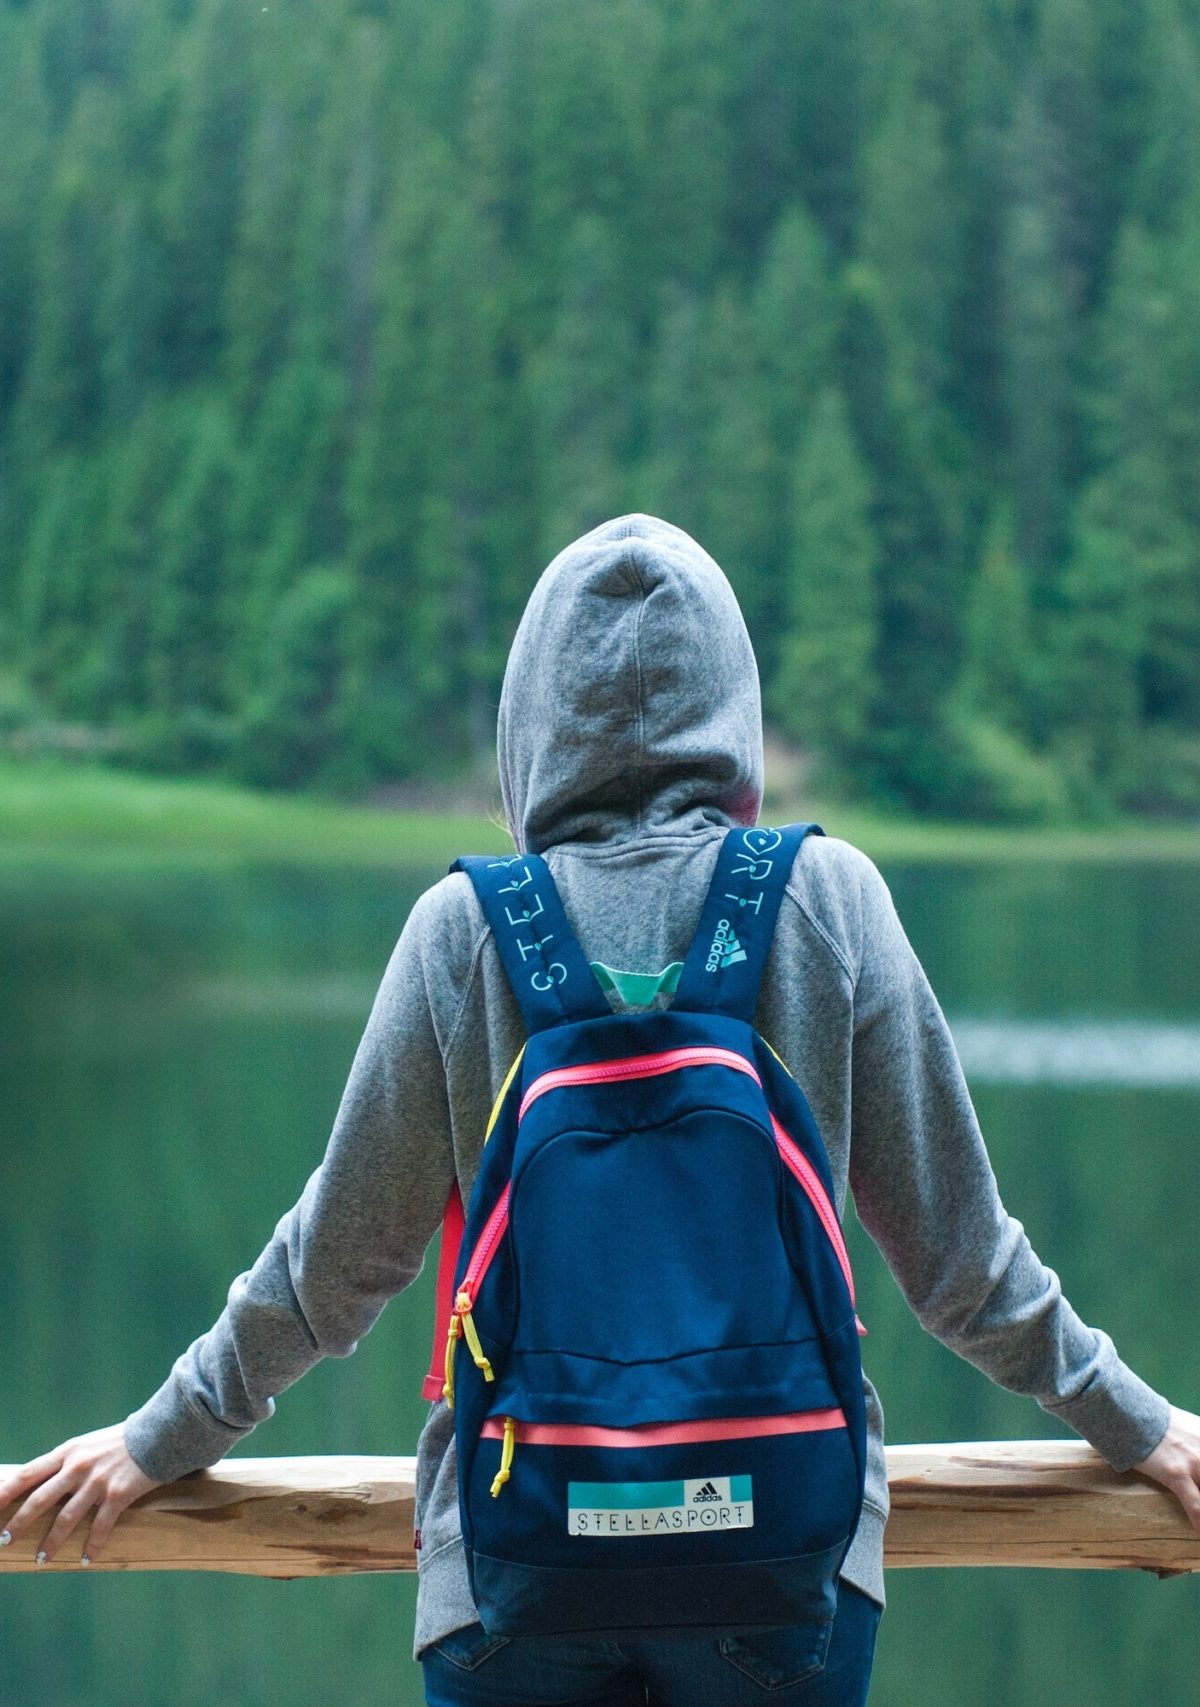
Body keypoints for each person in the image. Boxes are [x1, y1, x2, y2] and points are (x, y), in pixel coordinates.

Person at [2, 513, 1198, 1706]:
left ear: (530, 716)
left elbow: (336, 1270)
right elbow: (961, 1266)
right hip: (782, 1557)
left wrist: (160, 1439)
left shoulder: (464, 932)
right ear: (735, 702)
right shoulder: (828, 901)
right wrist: (1140, 1427)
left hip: (517, 1572)